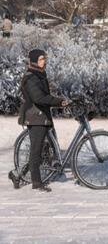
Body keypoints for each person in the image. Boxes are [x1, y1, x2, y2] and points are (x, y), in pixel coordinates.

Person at [8, 49, 68, 192]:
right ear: (34, 60)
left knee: (45, 149)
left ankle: (19, 174)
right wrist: (59, 102)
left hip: (43, 116)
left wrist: (59, 103)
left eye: (45, 58)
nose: (44, 61)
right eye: (41, 59)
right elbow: (39, 98)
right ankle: (36, 182)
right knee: (36, 150)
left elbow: (44, 97)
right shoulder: (30, 77)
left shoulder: (40, 75)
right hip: (35, 117)